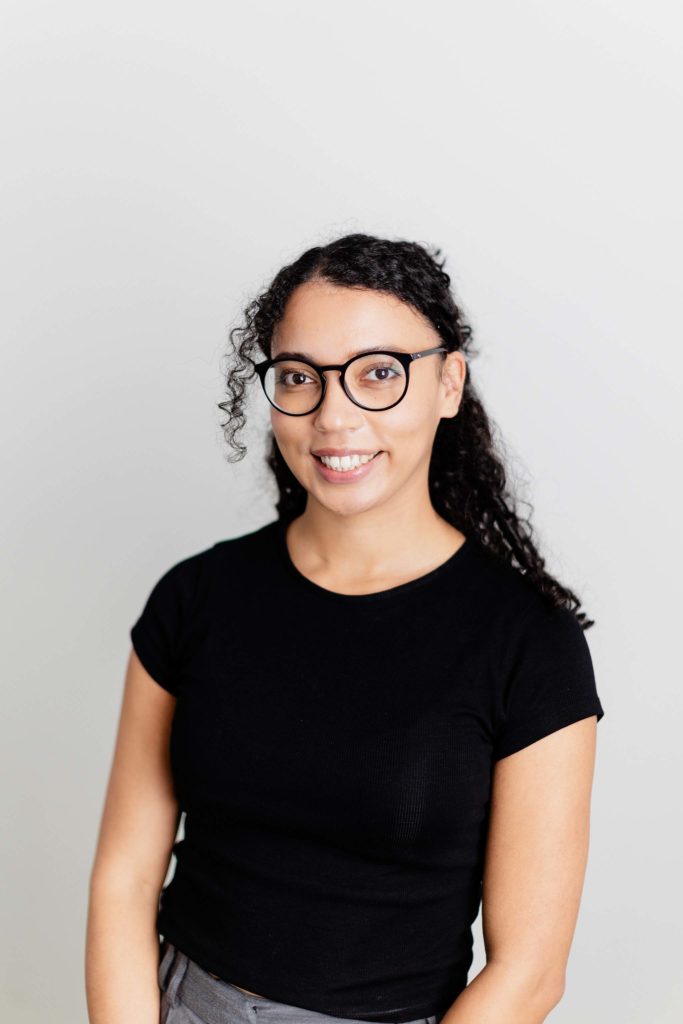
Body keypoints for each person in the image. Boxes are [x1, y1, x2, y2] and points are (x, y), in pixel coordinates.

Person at [86, 233, 605, 1024]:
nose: (334, 416)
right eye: (299, 377)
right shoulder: (196, 598)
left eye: (377, 375)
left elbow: (528, 973)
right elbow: (125, 872)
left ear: (447, 383)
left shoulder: (527, 645)